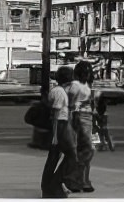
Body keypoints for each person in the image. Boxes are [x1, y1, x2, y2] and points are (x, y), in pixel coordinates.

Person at [41, 66, 78, 199]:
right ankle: (55, 183)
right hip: (60, 126)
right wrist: (56, 136)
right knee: (72, 156)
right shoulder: (59, 92)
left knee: (54, 158)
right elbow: (56, 114)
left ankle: (49, 187)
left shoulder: (59, 91)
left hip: (61, 125)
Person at [66, 61, 96, 193]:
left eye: (89, 71)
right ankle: (75, 178)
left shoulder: (86, 85)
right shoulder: (75, 85)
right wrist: (74, 117)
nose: (87, 74)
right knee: (87, 150)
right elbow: (70, 104)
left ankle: (82, 180)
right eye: (85, 71)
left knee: (86, 151)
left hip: (88, 118)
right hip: (79, 117)